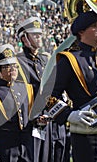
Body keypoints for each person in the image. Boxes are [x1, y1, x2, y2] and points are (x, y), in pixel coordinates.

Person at [46, 11, 97, 161]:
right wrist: (69, 115)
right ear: (81, 31)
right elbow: (48, 96)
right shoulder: (69, 59)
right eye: (94, 26)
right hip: (88, 133)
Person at [15, 17, 70, 162]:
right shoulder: (17, 62)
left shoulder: (46, 59)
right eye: (34, 34)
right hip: (33, 122)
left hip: (53, 119)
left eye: (40, 33)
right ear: (24, 38)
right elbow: (18, 96)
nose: (39, 37)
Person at [0, 44, 35, 162]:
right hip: (4, 148)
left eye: (15, 66)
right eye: (7, 67)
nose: (13, 69)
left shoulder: (25, 88)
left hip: (27, 147)